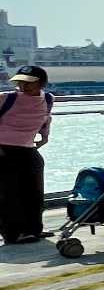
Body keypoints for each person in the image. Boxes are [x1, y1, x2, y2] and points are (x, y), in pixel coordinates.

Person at [0, 65, 53, 244]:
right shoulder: (7, 98)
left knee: (34, 193)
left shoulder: (47, 98)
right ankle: (13, 234)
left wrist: (45, 137)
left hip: (28, 148)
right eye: (20, 82)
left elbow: (46, 118)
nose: (23, 86)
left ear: (41, 83)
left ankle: (34, 229)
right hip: (3, 149)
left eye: (29, 82)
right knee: (9, 194)